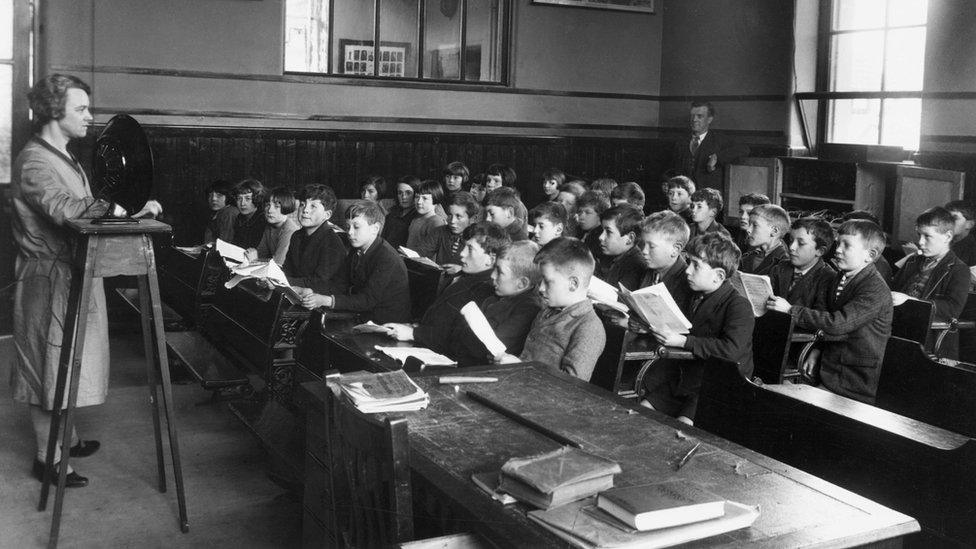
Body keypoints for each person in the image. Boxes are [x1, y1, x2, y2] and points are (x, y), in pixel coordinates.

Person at [11, 74, 162, 487]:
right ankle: (48, 459)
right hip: (49, 279)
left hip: (74, 272)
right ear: (52, 111)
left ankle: (68, 439)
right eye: (80, 109)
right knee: (48, 366)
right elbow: (68, 210)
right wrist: (119, 209)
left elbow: (91, 209)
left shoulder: (65, 154)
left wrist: (129, 212)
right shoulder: (35, 161)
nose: (89, 117)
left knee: (69, 360)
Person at [768, 220, 893, 404]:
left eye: (847, 245)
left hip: (854, 379)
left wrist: (790, 309)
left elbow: (837, 324)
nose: (838, 250)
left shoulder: (875, 289)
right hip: (831, 366)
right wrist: (818, 349)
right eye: (838, 243)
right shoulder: (842, 276)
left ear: (870, 255)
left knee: (786, 402)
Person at [642, 233, 754, 425]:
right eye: (688, 262)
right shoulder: (693, 293)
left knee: (682, 428)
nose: (687, 271)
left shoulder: (739, 305)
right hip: (688, 377)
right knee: (641, 411)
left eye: (696, 265)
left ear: (719, 276)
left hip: (719, 386)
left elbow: (732, 351)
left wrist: (684, 341)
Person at [384, 223, 509, 351]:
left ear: (491, 259)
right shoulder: (463, 277)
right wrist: (414, 327)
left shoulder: (485, 291)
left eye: (470, 249)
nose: (462, 253)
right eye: (463, 246)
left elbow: (458, 338)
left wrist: (414, 334)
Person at [501, 238, 606, 381]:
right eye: (540, 281)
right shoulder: (547, 310)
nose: (541, 288)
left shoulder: (589, 327)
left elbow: (571, 385)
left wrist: (519, 367)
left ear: (573, 283)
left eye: (548, 281)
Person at [301, 201, 410, 323]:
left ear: (375, 228)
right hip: (363, 315)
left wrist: (326, 300)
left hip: (385, 323)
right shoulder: (357, 249)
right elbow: (339, 284)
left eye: (356, 227)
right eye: (348, 227)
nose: (350, 232)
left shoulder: (387, 258)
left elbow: (367, 300)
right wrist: (311, 291)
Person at [890, 207, 970, 358]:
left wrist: (912, 301)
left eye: (927, 236)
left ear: (947, 237)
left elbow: (952, 309)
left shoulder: (959, 269)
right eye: (919, 235)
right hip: (900, 327)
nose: (920, 242)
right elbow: (893, 288)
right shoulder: (912, 260)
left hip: (930, 339)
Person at [449, 241, 544, 366]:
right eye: (494, 268)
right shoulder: (493, 293)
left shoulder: (528, 309)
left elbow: (483, 349)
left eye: (500, 272)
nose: (492, 275)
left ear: (521, 284)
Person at [282, 184, 349, 296]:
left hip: (322, 298)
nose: (305, 210)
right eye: (303, 204)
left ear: (327, 215)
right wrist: (275, 279)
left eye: (313, 206)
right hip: (297, 292)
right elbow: (287, 269)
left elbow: (318, 282)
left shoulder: (332, 242)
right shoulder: (296, 236)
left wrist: (283, 282)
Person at [672, 101, 750, 191]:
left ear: (709, 119)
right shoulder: (681, 142)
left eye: (699, 116)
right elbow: (673, 170)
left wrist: (717, 157)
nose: (694, 120)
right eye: (692, 116)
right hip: (685, 197)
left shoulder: (719, 140)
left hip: (708, 198)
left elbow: (744, 149)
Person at [768, 217, 836, 309]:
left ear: (820, 251)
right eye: (791, 240)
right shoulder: (780, 267)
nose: (792, 247)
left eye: (801, 243)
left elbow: (819, 316)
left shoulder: (829, 278)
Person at [638, 210, 692, 312]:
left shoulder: (686, 284)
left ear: (675, 249)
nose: (644, 251)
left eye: (652, 246)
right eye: (644, 244)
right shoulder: (650, 270)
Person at [424, 191, 480, 274]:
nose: (452, 221)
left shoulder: (480, 239)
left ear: (472, 219)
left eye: (458, 216)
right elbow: (421, 253)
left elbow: (486, 269)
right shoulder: (439, 231)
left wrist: (463, 269)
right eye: (450, 215)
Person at [245, 186, 300, 265]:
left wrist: (255, 260)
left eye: (276, 206)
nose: (270, 210)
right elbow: (261, 253)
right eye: (267, 205)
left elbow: (278, 264)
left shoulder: (289, 230)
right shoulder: (270, 226)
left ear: (286, 207)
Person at [597, 204, 646, 290]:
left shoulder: (635, 267)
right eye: (603, 230)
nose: (601, 237)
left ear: (630, 238)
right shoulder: (613, 256)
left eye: (608, 232)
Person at [739, 204, 790, 275]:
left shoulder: (785, 263)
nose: (748, 230)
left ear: (774, 231)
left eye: (755, 225)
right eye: (749, 224)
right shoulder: (747, 257)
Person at [406, 179, 447, 252]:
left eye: (425, 198)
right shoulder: (416, 219)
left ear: (435, 199)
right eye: (417, 197)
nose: (419, 202)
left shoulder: (436, 222)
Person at [381, 175, 421, 248]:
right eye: (400, 193)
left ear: (416, 194)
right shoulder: (391, 215)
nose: (404, 197)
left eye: (408, 193)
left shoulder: (418, 217)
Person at [230, 178, 268, 249]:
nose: (242, 203)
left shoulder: (263, 219)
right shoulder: (239, 217)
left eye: (247, 199)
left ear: (257, 199)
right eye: (239, 198)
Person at [575, 190, 610, 262]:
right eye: (580, 211)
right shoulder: (580, 231)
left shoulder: (601, 240)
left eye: (588, 212)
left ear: (600, 215)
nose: (581, 216)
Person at [203, 179, 237, 243]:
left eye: (219, 195)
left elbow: (224, 244)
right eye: (210, 195)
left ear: (228, 196)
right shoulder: (218, 213)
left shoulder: (229, 212)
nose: (213, 199)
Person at [946, 200, 976, 267]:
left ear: (970, 224)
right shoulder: (942, 242)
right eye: (946, 218)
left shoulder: (973, 251)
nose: (948, 222)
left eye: (954, 218)